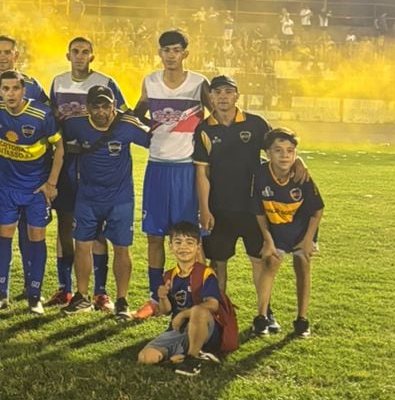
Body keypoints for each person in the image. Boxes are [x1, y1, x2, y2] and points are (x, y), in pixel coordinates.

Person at [192, 75, 306, 329]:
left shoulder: (255, 124)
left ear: (237, 96)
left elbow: (280, 146)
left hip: (254, 208)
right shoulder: (204, 129)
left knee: (260, 261)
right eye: (217, 92)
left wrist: (299, 161)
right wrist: (204, 208)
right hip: (219, 209)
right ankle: (219, 313)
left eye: (228, 92)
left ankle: (265, 314)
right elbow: (202, 173)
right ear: (210, 97)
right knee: (218, 263)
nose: (222, 96)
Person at [46, 85, 151, 318]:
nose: (102, 111)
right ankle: (82, 297)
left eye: (106, 106)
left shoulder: (126, 125)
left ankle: (122, 300)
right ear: (88, 107)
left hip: (120, 198)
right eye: (96, 106)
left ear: (114, 106)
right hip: (87, 197)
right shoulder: (76, 124)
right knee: (82, 245)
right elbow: (55, 139)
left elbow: (155, 140)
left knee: (121, 248)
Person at [49, 37, 126, 311]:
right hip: (68, 160)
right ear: (68, 55)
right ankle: (65, 289)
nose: (80, 56)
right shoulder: (58, 82)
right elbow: (52, 119)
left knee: (98, 229)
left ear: (92, 56)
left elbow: (123, 114)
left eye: (85, 52)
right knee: (65, 224)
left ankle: (100, 293)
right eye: (75, 52)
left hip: (95, 160)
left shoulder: (106, 82)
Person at [136, 30, 209, 311]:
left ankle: (196, 295)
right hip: (157, 167)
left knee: (191, 237)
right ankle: (157, 296)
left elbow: (212, 118)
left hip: (185, 170)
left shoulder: (198, 83)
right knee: (154, 235)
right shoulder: (151, 81)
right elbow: (138, 111)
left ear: (185, 54)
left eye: (176, 50)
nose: (170, 55)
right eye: (166, 50)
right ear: (160, 53)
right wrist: (155, 130)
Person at [0, 70, 59, 314]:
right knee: (4, 235)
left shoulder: (41, 114)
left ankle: (35, 295)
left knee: (36, 238)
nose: (10, 93)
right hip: (7, 187)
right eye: (5, 88)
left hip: (36, 188)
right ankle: (1, 293)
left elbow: (60, 145)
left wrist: (51, 183)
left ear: (24, 90)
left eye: (15, 88)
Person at [0, 36, 46, 294]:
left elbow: (46, 118)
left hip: (23, 167)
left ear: (16, 55)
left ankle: (29, 282)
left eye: (7, 52)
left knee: (27, 225)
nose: (2, 56)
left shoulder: (32, 85)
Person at [254, 128, 324, 339]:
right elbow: (258, 211)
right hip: (275, 229)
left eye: (290, 151)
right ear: (267, 153)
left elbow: (317, 209)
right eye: (278, 150)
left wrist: (308, 240)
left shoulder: (302, 176)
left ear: (295, 154)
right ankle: (261, 317)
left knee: (302, 266)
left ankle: (302, 320)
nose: (284, 155)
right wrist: (267, 240)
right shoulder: (260, 174)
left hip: (302, 230)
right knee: (270, 263)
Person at [137, 221, 224, 379]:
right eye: (178, 242)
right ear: (170, 246)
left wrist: (184, 314)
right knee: (146, 357)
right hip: (179, 330)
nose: (183, 247)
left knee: (198, 310)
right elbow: (166, 311)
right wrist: (162, 297)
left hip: (205, 329)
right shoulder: (169, 276)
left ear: (198, 247)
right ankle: (183, 358)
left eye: (189, 243)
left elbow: (213, 304)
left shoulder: (206, 273)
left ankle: (191, 359)